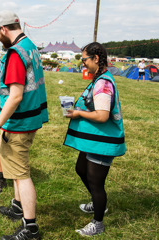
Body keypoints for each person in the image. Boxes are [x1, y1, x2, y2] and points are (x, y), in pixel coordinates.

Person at [0, 10, 48, 240]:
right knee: (14, 167)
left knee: (21, 174)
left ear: (3, 29)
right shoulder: (30, 45)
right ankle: (17, 206)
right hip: (29, 117)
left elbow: (15, 96)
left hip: (18, 121)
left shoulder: (14, 53)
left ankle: (30, 228)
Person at [64, 42, 126, 237]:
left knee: (95, 181)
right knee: (81, 169)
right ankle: (97, 203)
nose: (83, 64)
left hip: (103, 141)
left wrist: (79, 113)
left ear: (96, 59)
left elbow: (102, 116)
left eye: (84, 60)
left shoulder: (103, 83)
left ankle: (98, 222)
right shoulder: (99, 78)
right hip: (95, 139)